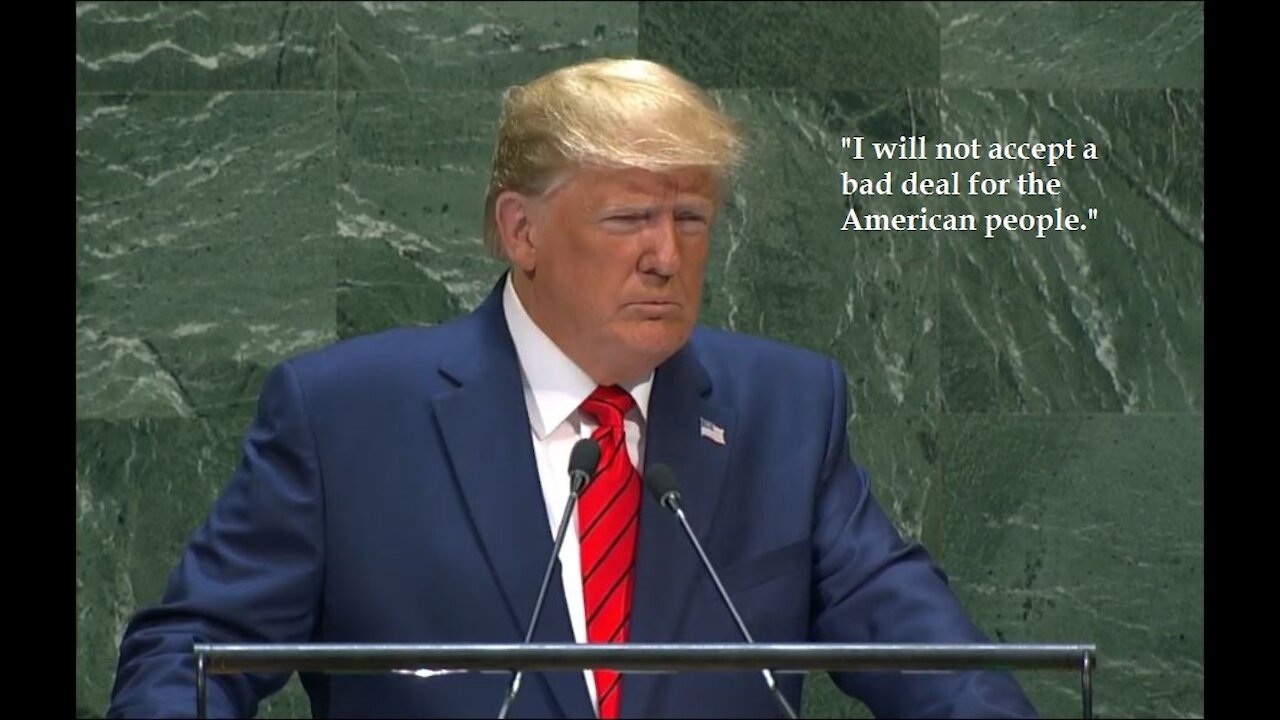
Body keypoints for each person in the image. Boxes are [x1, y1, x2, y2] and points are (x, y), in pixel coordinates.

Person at [108, 58, 1036, 719]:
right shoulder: (346, 418)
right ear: (522, 232)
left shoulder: (786, 411)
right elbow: (190, 659)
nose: (665, 255)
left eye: (690, 218)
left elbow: (935, 659)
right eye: (629, 216)